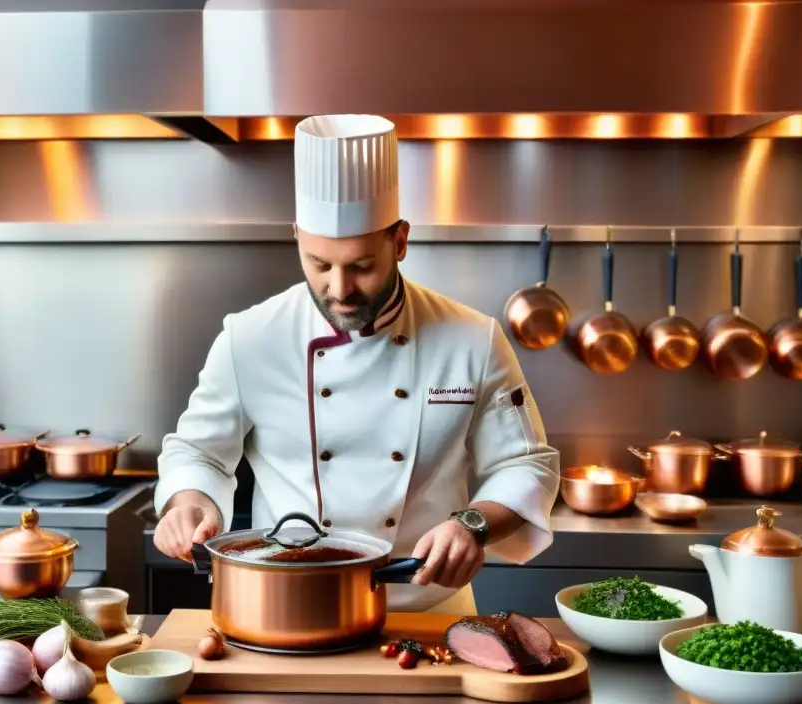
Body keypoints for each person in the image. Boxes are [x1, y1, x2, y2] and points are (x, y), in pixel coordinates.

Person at [153, 114, 560, 614]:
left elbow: (526, 463)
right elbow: (198, 452)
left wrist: (472, 524)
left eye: (362, 266)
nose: (340, 289)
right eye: (319, 264)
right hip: (286, 605)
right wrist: (188, 500)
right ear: (298, 236)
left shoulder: (472, 339)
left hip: (426, 607)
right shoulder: (250, 337)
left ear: (401, 241)